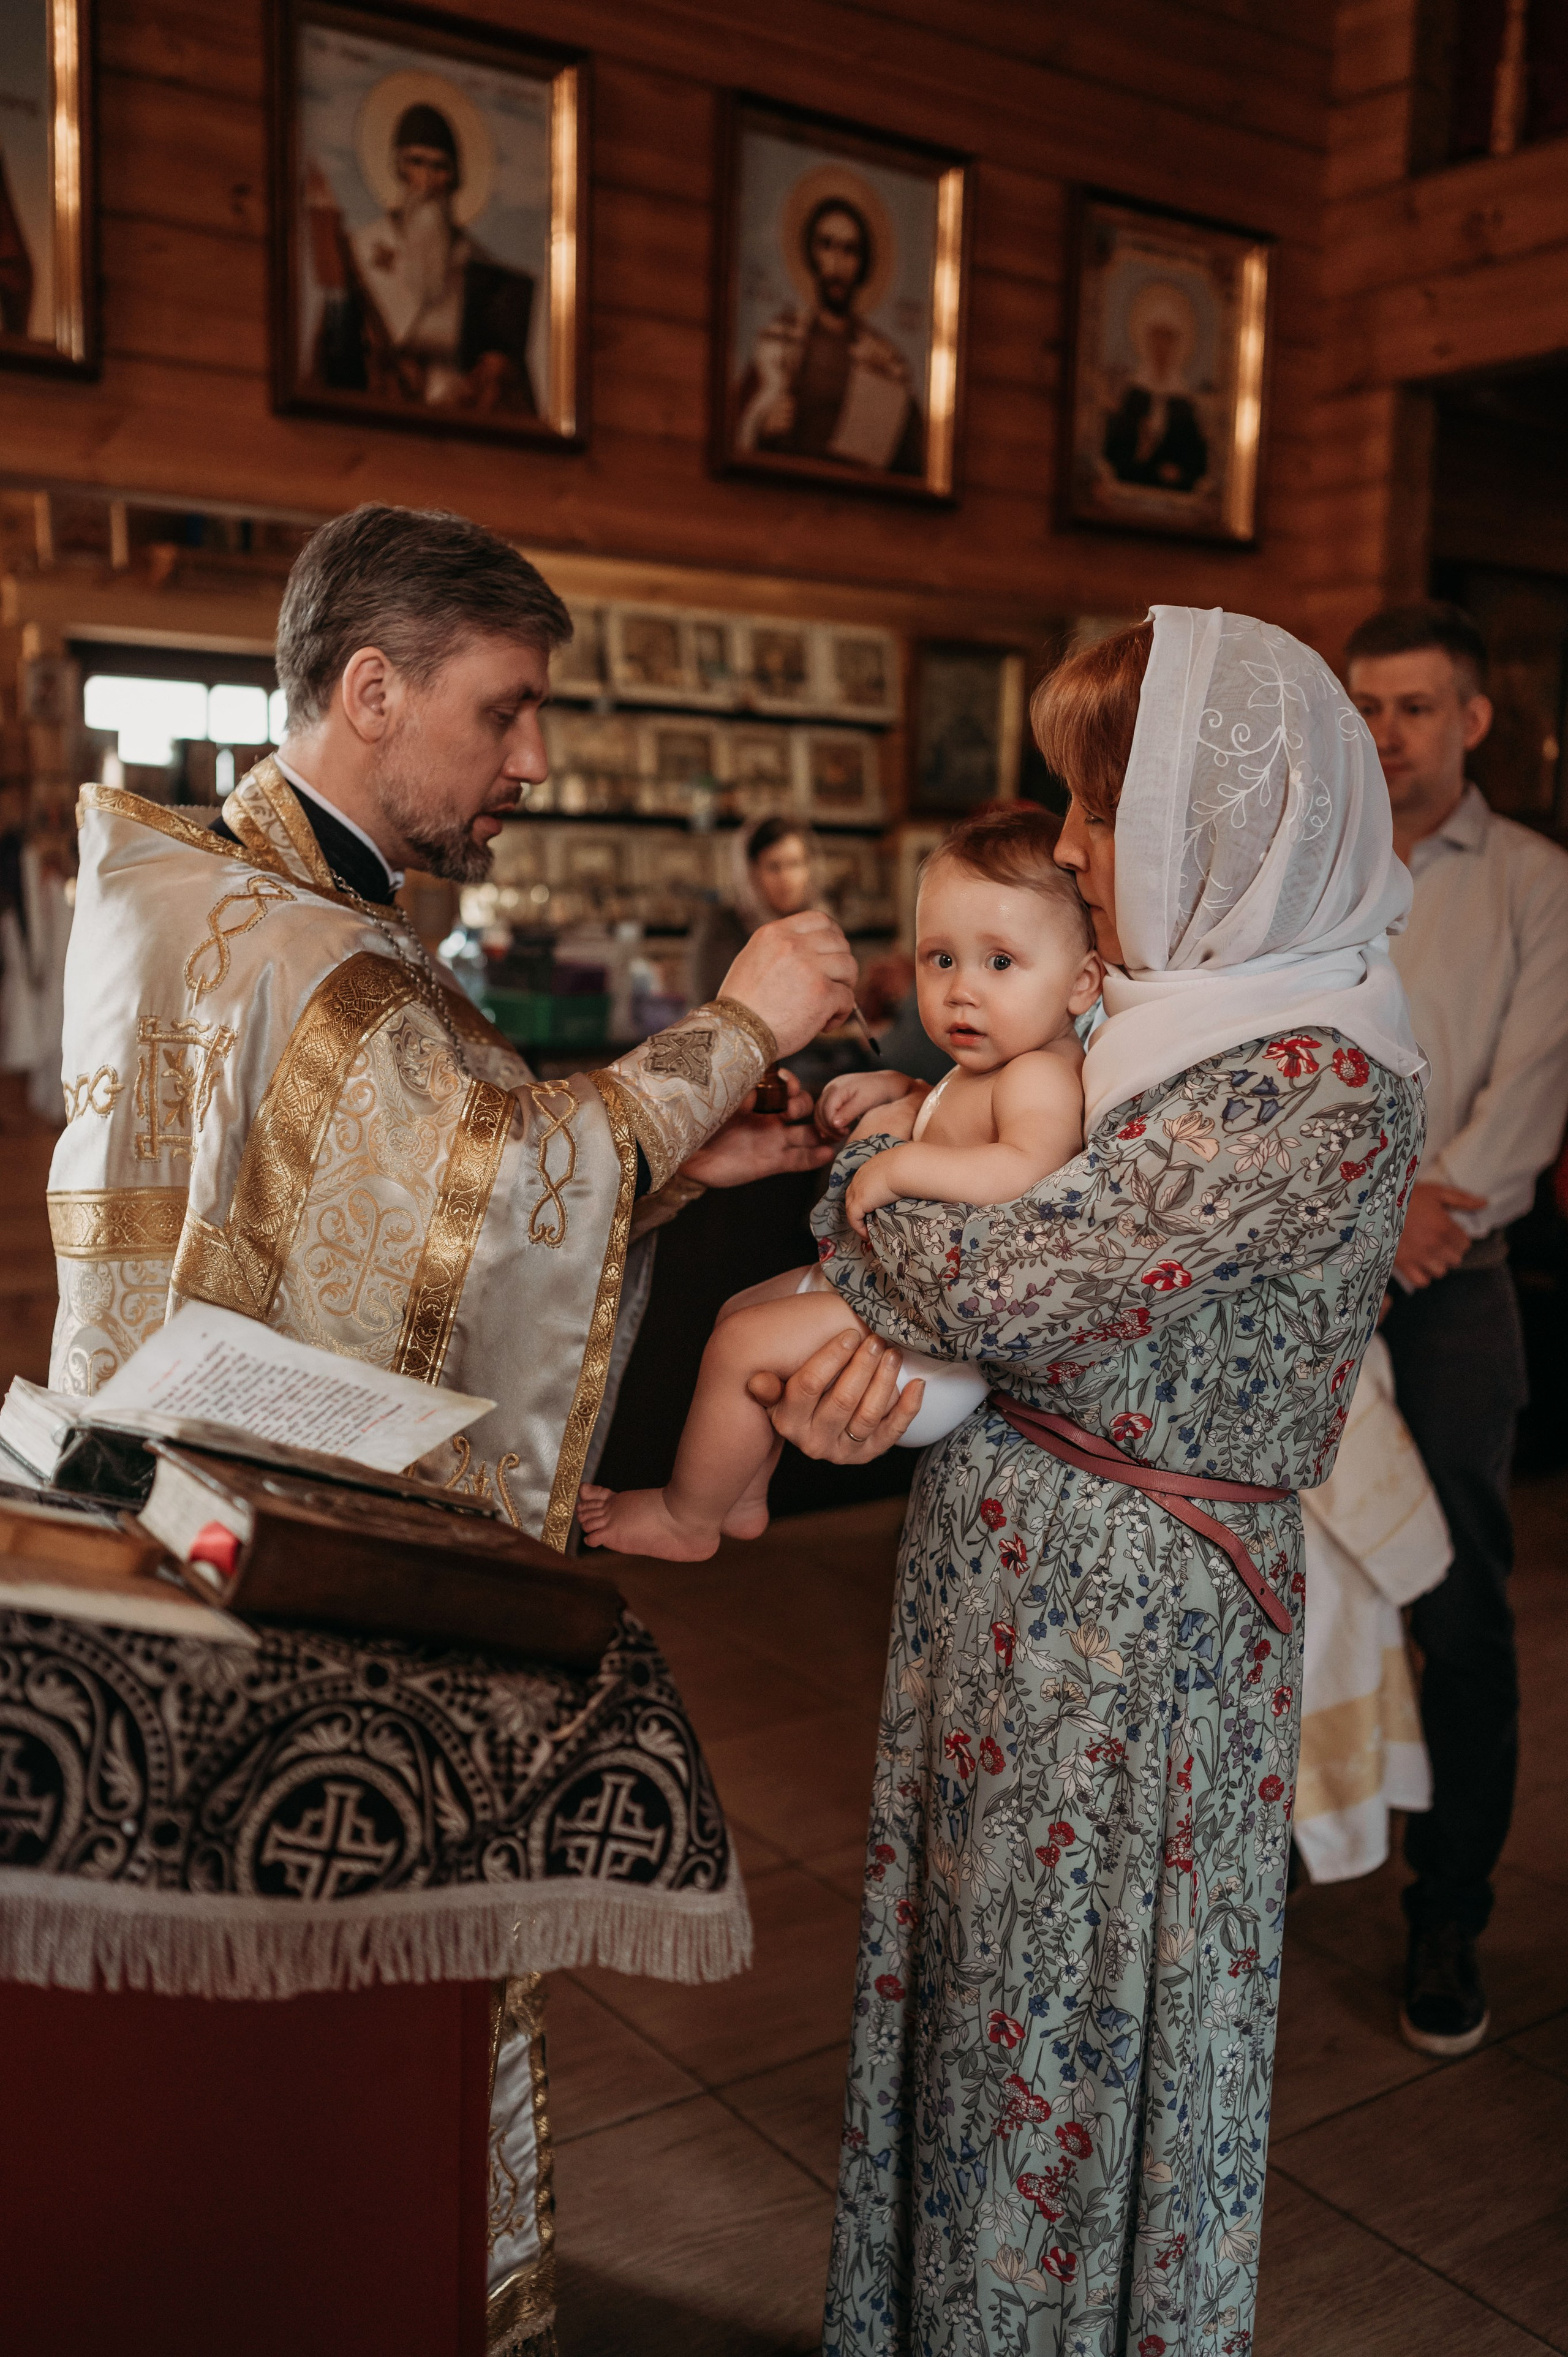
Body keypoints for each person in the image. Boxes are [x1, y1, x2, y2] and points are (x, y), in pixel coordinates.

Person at [47, 502, 864, 2355]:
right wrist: (739, 1024)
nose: (532, 758)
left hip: (192, 1514)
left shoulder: (222, 891)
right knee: (328, 2077)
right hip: (289, 1582)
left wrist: (656, 1179)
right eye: (502, 712)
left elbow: (376, 1222)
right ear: (368, 686)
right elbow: (480, 1184)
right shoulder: (304, 944)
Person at [807, 606, 1425, 2356]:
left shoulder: (1314, 1070)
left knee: (1071, 2017)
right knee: (977, 1991)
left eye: (1099, 805)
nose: (1071, 846)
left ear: (1213, 824)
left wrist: (870, 1152)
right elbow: (959, 1260)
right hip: (1003, 1583)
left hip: (1135, 1637)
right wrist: (898, 1199)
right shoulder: (1157, 1019)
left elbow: (1010, 1286)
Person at [579, 808, 1103, 1563]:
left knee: (737, 1343)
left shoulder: (1043, 1074)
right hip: (884, 1293)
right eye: (939, 959)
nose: (960, 991)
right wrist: (896, 1089)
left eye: (999, 963)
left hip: (933, 1350)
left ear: (1081, 982)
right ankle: (745, 1491)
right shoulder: (989, 1067)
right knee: (739, 1308)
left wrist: (901, 1163)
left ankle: (685, 1516)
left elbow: (1021, 1167)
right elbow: (954, 1116)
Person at [1346, 599, 1568, 2056]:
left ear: (1472, 718)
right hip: (1306, 1269)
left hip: (1456, 1279)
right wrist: (1360, 1218)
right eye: (1363, 704)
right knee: (1292, 1571)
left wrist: (1441, 1212)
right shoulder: (1322, 859)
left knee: (1457, 1594)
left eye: (1412, 706)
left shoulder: (1537, 881)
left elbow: (1536, 1062)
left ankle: (1447, 1911)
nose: (1382, 732)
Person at [306, 103, 537, 413]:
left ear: (454, 177)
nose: (427, 181)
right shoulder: (359, 252)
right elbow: (337, 356)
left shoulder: (481, 267)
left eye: (440, 166)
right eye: (417, 162)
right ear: (400, 167)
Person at [735, 194, 924, 475]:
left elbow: (913, 458)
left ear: (864, 262)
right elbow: (737, 429)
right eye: (827, 245)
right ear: (812, 254)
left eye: (850, 250)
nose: (837, 263)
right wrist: (763, 426)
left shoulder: (884, 359)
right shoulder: (780, 341)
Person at [689, 812, 818, 1004]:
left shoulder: (816, 925)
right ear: (752, 872)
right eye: (774, 867)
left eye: (795, 864)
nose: (787, 878)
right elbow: (714, 1008)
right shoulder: (723, 928)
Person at [1102, 279, 1209, 494]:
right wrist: (1140, 450)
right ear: (1148, 340)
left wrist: (1179, 472)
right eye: (1157, 336)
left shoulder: (1183, 402)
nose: (1162, 345)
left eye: (1168, 338)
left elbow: (1197, 461)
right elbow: (1113, 454)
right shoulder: (1134, 394)